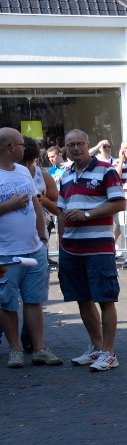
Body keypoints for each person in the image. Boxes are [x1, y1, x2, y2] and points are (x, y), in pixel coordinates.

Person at [57, 129, 125, 371]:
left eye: (80, 144)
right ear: (65, 148)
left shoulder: (106, 170)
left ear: (88, 145)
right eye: (70, 145)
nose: (76, 148)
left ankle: (109, 352)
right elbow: (60, 213)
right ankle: (96, 347)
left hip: (99, 248)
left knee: (105, 299)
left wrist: (88, 214)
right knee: (82, 299)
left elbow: (120, 203)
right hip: (71, 249)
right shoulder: (64, 175)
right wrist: (61, 245)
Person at [0, 128, 61, 368]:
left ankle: (40, 349)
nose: (24, 148)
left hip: (34, 249)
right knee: (7, 302)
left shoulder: (24, 171)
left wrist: (43, 238)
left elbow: (36, 205)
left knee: (34, 300)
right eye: (20, 144)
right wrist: (9, 205)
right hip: (5, 252)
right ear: (9, 148)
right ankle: (15, 349)